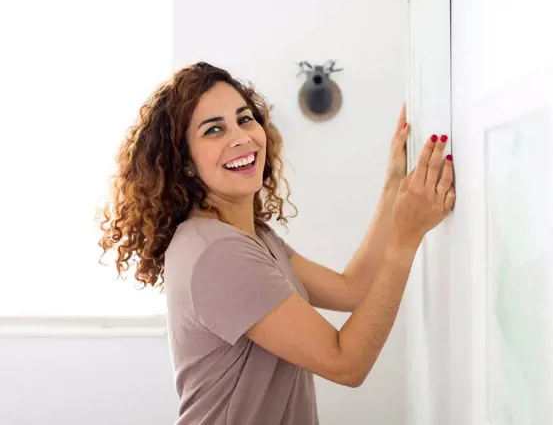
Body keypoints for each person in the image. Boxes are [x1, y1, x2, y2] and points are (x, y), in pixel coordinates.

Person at [98, 61, 456, 425]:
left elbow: (353, 290)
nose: (240, 137)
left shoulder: (250, 236)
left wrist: (395, 181)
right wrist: (406, 238)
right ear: (185, 162)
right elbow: (347, 363)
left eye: (245, 118)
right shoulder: (217, 254)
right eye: (214, 130)